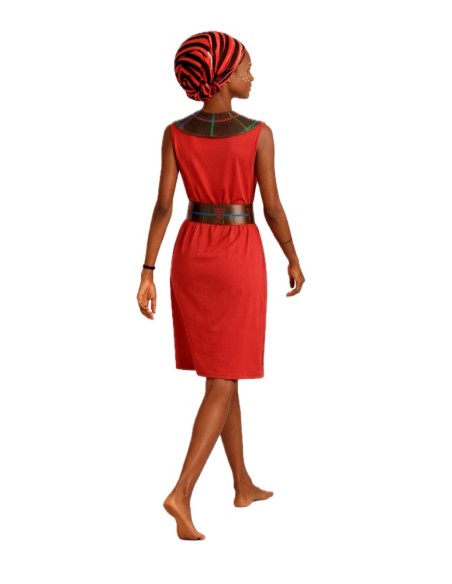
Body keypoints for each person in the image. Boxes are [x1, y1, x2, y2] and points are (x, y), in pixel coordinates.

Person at [137, 31, 305, 540]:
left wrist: (147, 270)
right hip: (236, 253)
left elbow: (163, 206)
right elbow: (272, 207)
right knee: (226, 375)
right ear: (224, 76)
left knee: (222, 372)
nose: (252, 76)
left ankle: (241, 483)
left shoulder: (174, 132)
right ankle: (181, 492)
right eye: (246, 68)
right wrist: (293, 257)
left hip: (190, 251)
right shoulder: (258, 133)